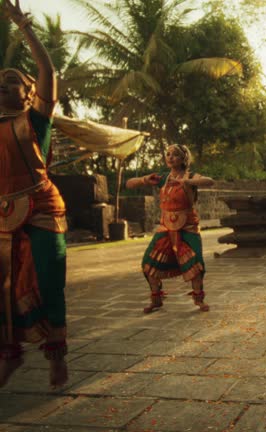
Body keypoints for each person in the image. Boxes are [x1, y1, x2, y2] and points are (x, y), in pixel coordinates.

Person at [0, 0, 69, 388]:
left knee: (48, 278)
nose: (1, 83)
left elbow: (47, 70)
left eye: (11, 79)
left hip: (41, 207)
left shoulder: (35, 119)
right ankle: (10, 356)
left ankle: (57, 354)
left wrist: (22, 26)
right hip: (3, 214)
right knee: (4, 290)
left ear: (28, 93)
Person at [125, 144, 214, 313]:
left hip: (187, 226)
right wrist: (144, 179)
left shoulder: (191, 176)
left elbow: (210, 181)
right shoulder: (163, 178)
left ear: (183, 159)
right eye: (168, 154)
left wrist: (186, 182)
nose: (170, 157)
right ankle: (156, 298)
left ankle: (199, 299)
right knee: (148, 263)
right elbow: (129, 184)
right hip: (166, 226)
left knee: (196, 263)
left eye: (174, 155)